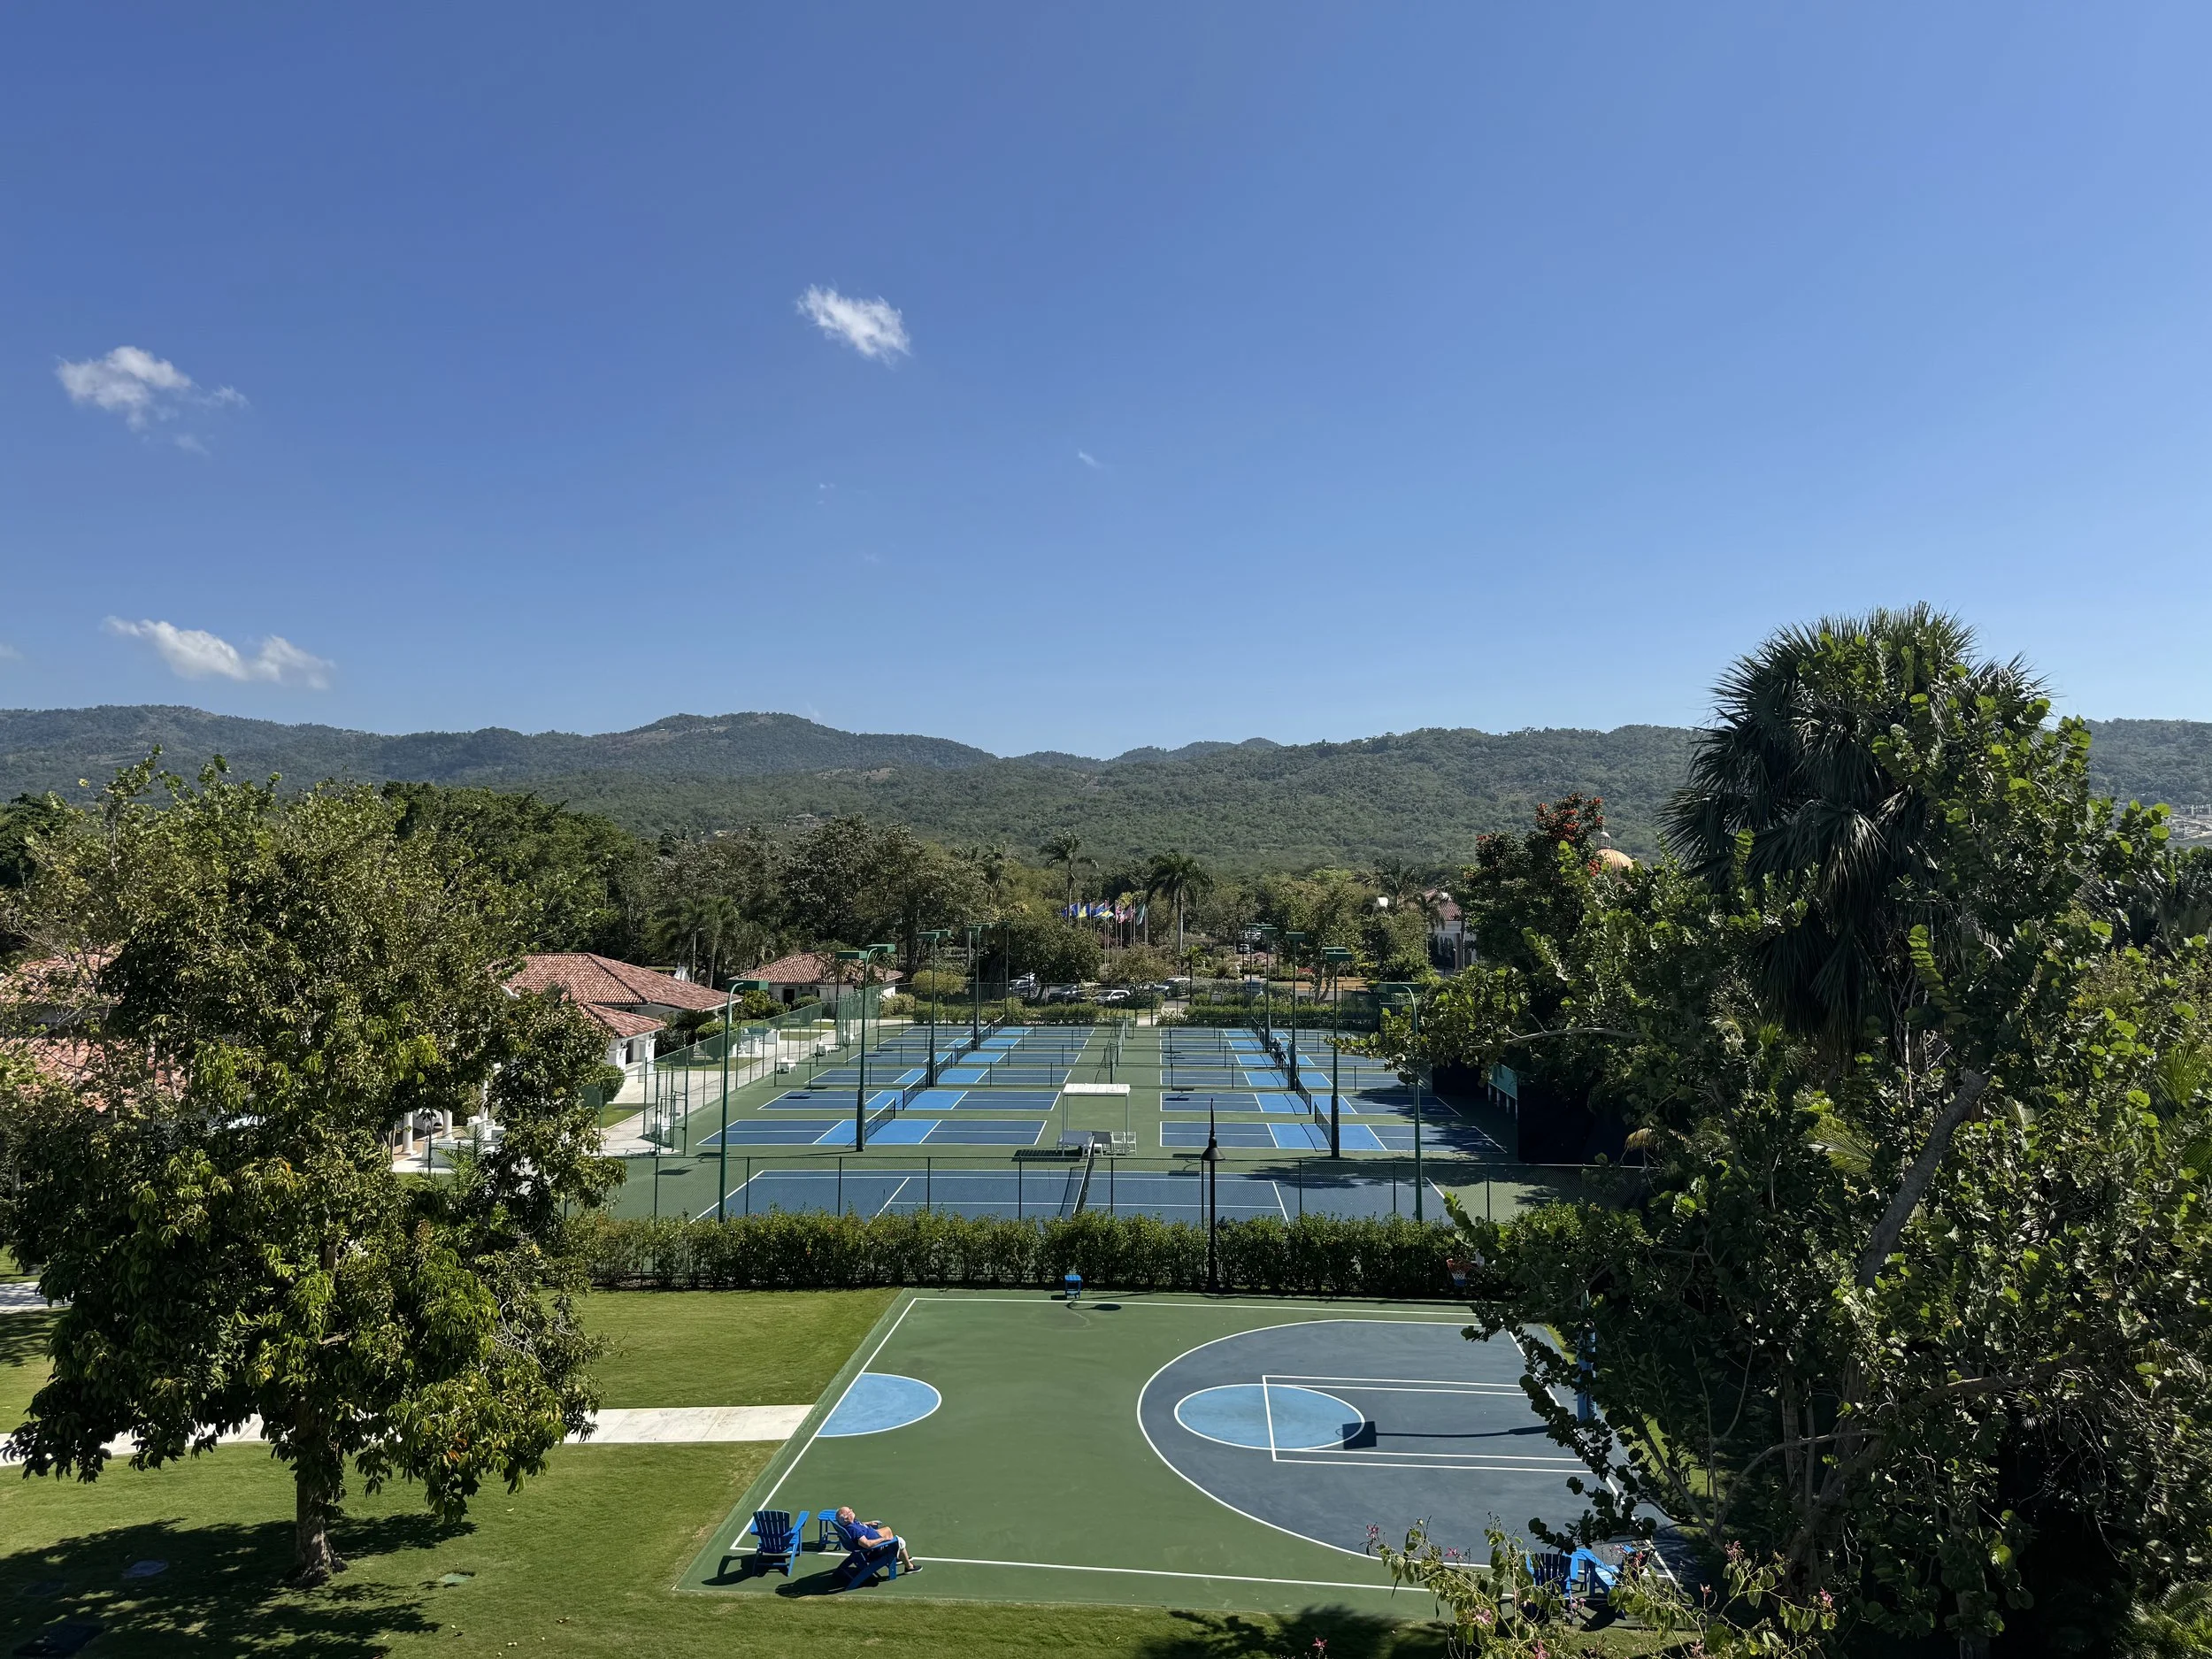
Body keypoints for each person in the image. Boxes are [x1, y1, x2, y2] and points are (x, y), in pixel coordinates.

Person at [835, 1506, 918, 1573]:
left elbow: (859, 1525)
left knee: (887, 1530)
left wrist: (869, 1523)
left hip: (873, 1535)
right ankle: (909, 1567)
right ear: (846, 1518)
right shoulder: (853, 1530)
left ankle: (895, 1558)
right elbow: (867, 1544)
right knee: (900, 1542)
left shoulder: (849, 1523)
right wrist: (882, 1539)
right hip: (874, 1550)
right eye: (849, 1511)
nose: (851, 1510)